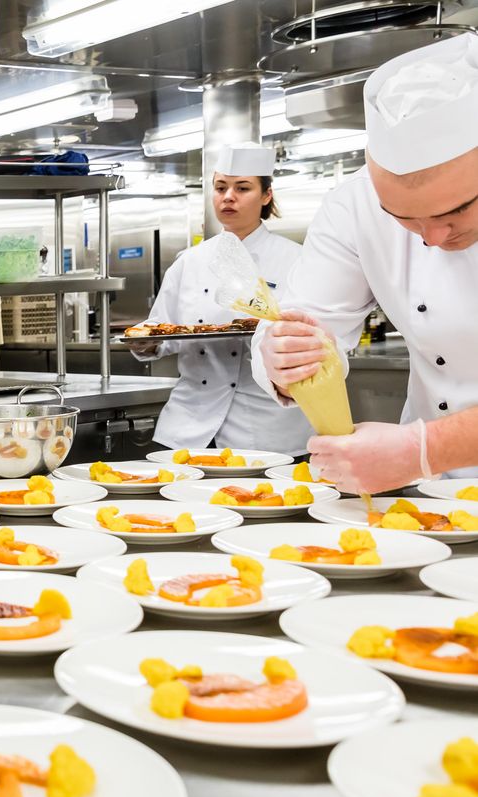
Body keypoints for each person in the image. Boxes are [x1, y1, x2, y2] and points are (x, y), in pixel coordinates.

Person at [254, 34, 478, 492]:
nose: (432, 238)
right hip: (429, 489)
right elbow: (309, 320)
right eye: (404, 218)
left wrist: (426, 448)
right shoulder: (354, 204)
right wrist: (285, 357)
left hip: (420, 461)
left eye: (456, 211)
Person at [129, 143, 312, 454]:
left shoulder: (297, 260)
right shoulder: (189, 262)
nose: (228, 197)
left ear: (266, 195)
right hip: (189, 425)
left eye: (242, 188)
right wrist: (146, 342)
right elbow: (163, 330)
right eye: (220, 187)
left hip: (267, 427)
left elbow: (312, 335)